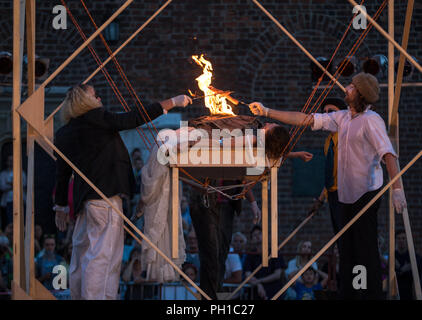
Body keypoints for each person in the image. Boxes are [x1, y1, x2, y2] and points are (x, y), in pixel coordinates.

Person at [249, 72, 407, 300]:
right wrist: (267, 112)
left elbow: (389, 155)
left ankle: (365, 294)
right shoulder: (342, 117)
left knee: (364, 251)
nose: (347, 88)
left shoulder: (371, 121)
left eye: (352, 87)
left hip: (365, 195)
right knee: (347, 250)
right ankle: (351, 293)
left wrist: (398, 190)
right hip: (344, 197)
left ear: (361, 94)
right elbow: (305, 119)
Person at [53, 83, 192, 300]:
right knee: (103, 257)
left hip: (84, 205)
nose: (99, 99)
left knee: (81, 256)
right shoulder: (96, 118)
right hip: (104, 199)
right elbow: (131, 119)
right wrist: (170, 103)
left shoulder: (64, 133)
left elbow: (62, 175)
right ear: (84, 101)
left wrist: (61, 205)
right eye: (94, 95)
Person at [308, 97, 347, 237]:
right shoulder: (328, 141)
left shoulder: (346, 136)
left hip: (347, 193)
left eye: (331, 111)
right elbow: (332, 172)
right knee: (339, 237)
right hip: (333, 195)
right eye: (324, 112)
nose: (327, 115)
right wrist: (321, 198)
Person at [243, 225, 286, 300]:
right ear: (252, 240)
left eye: (260, 233)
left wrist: (259, 281)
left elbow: (277, 274)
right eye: (254, 235)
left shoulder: (274, 252)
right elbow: (248, 275)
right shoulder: (250, 255)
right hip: (256, 293)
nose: (257, 237)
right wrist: (259, 284)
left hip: (274, 291)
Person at [0, 155, 27, 227]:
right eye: (9, 161)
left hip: (20, 201)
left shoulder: (21, 173)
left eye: (12, 160)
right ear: (6, 162)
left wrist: (10, 184)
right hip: (7, 202)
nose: (11, 162)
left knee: (21, 222)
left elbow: (23, 185)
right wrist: (15, 184)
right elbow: (2, 187)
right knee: (10, 222)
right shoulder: (3, 174)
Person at [395, 229, 422, 300]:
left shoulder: (414, 256)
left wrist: (400, 268)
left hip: (411, 293)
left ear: (407, 240)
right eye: (399, 238)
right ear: (396, 240)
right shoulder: (393, 256)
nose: (401, 240)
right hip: (395, 293)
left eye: (403, 238)